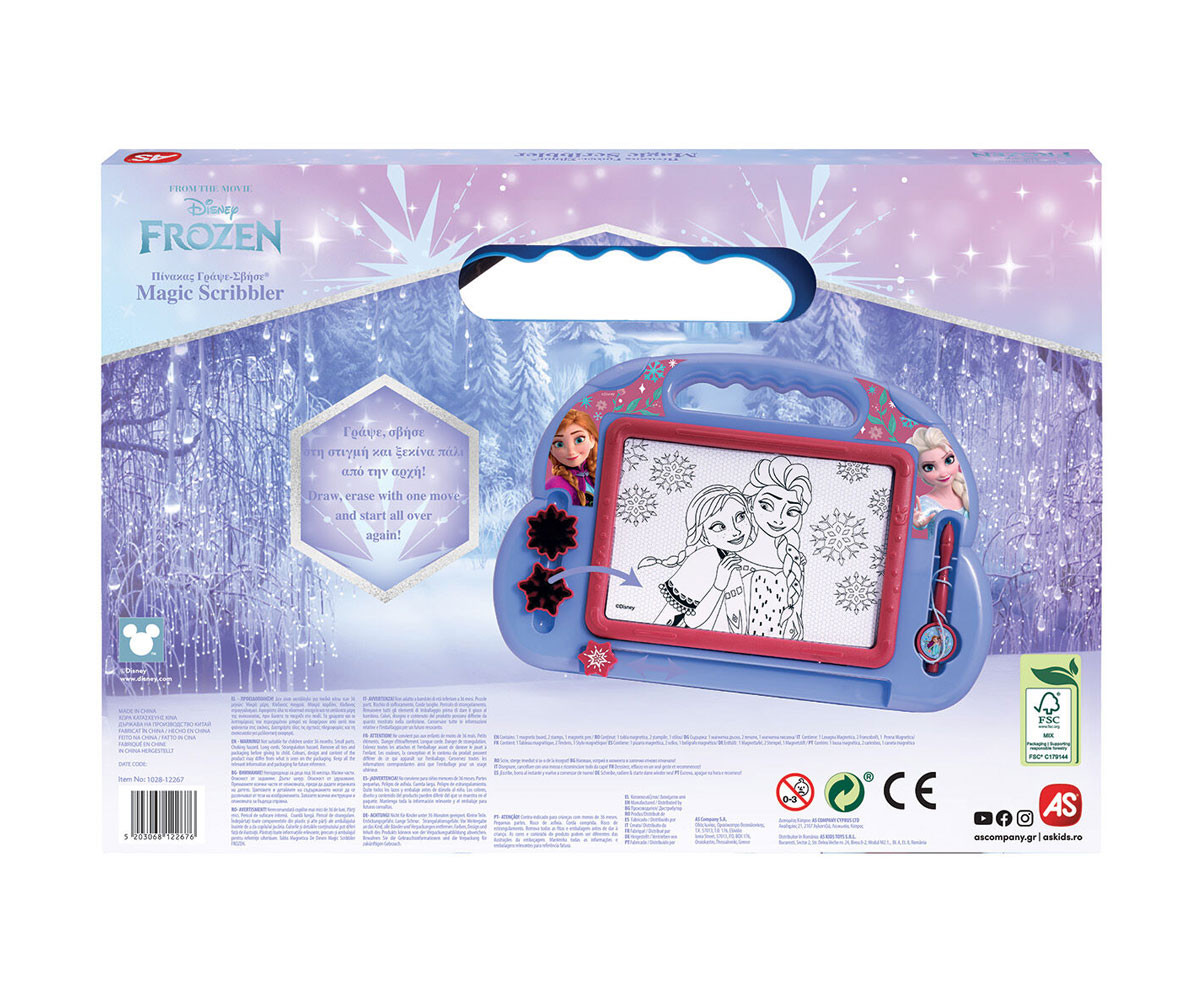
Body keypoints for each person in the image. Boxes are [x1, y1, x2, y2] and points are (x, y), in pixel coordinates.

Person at [637, 485, 755, 632]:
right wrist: (719, 585)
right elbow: (690, 621)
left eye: (740, 517)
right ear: (703, 535)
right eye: (719, 527)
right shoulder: (703, 559)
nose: (736, 531)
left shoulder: (732, 558)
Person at [738, 456, 812, 640]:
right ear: (750, 504)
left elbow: (796, 624)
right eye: (767, 505)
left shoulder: (794, 561)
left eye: (791, 512)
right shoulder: (730, 557)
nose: (778, 519)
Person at [909, 426, 969, 528]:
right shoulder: (927, 502)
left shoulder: (965, 491)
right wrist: (918, 522)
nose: (943, 472)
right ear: (919, 472)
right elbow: (922, 518)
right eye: (929, 467)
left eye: (948, 460)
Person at [545, 409, 599, 506]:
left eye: (579, 440)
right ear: (551, 449)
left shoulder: (603, 473)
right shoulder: (555, 485)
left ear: (592, 439)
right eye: (559, 444)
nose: (571, 451)